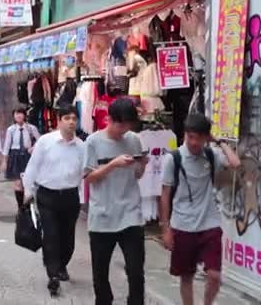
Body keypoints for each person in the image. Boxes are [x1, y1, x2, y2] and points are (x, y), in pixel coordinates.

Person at [160, 114, 240, 305]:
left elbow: (235, 163)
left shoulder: (211, 155)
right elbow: (164, 194)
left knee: (214, 275)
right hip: (183, 225)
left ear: (206, 137)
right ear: (185, 135)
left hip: (209, 224)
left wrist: (219, 141)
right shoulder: (174, 158)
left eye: (199, 137)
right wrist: (165, 229)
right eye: (190, 137)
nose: (194, 142)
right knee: (186, 276)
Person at [83, 98, 148, 305]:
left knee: (136, 271)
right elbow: (88, 178)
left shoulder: (134, 140)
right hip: (102, 216)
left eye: (128, 124)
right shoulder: (93, 141)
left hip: (131, 214)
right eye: (121, 124)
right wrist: (112, 164)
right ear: (108, 119)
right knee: (100, 275)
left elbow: (137, 175)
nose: (125, 129)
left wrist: (142, 164)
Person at [22, 104, 84, 296]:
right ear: (59, 120)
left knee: (68, 239)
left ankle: (61, 264)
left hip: (70, 196)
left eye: (74, 118)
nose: (71, 122)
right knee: (50, 235)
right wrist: (28, 190)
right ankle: (52, 275)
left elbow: (85, 172)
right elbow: (33, 166)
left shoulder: (81, 146)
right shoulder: (45, 142)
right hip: (47, 195)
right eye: (67, 118)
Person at [4, 108, 41, 210]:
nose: (19, 116)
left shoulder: (31, 128)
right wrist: (4, 161)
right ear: (14, 116)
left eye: (21, 114)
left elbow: (40, 140)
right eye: (16, 114)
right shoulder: (11, 129)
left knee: (27, 183)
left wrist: (33, 148)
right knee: (18, 183)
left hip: (27, 156)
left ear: (24, 115)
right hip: (15, 156)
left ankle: (28, 206)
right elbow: (7, 145)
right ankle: (21, 207)